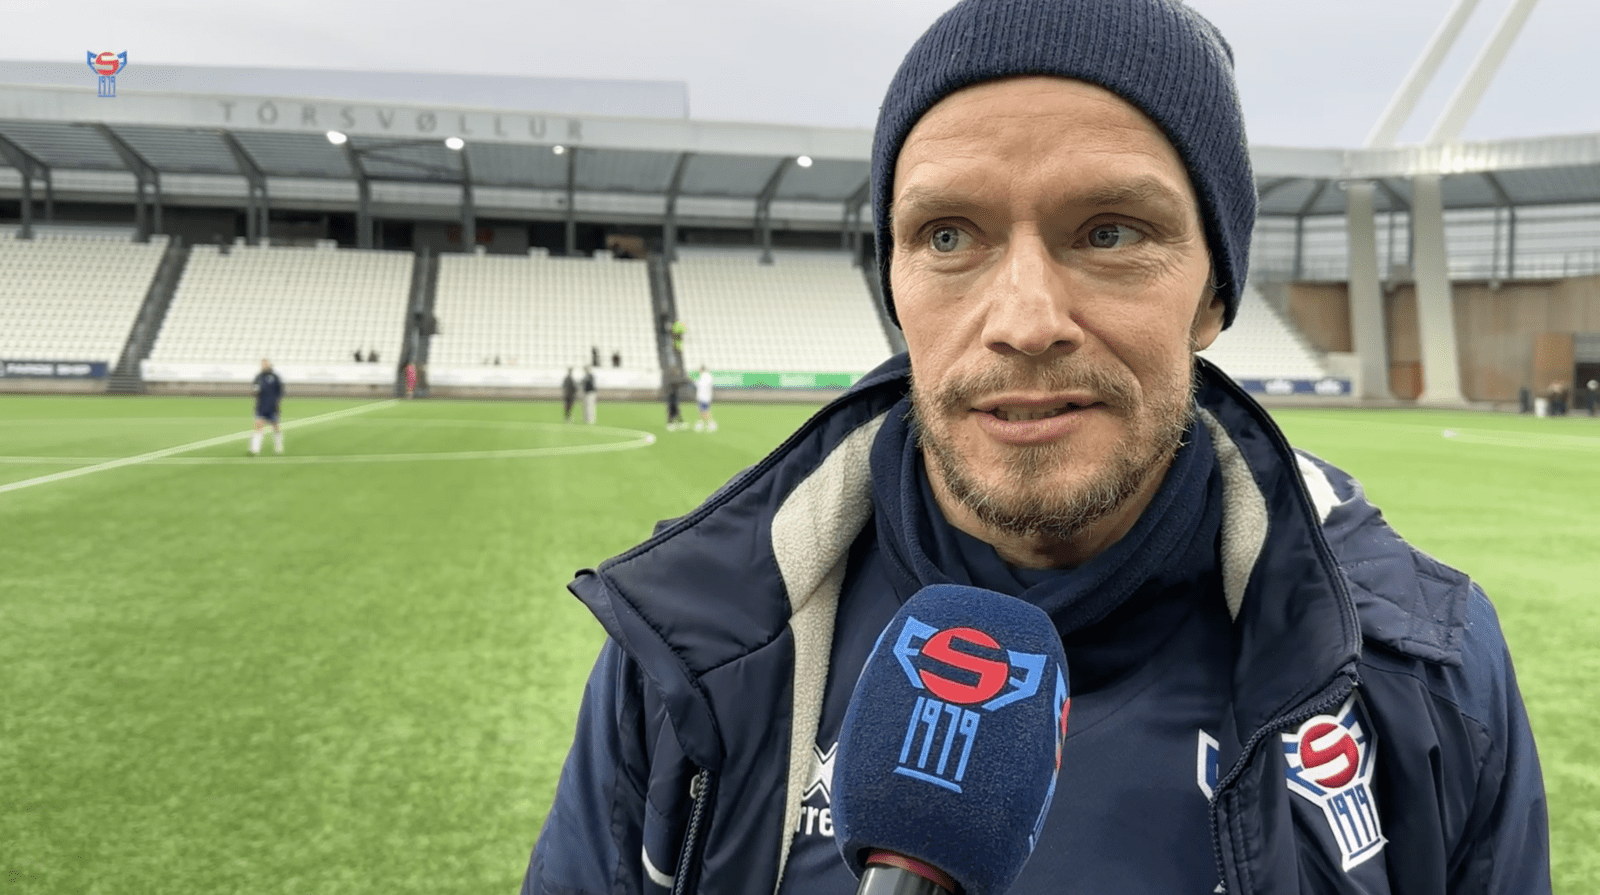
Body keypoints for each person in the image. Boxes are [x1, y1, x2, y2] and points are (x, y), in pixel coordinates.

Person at [524, 1, 1550, 893]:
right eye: (947, 235)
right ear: (894, 285)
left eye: (1110, 232)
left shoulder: (1427, 676)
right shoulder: (694, 649)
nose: (1023, 321)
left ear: (1214, 294)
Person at [249, 358, 284, 456]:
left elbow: (280, 391)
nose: (264, 366)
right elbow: (255, 390)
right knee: (258, 426)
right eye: (263, 364)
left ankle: (279, 447)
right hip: (261, 406)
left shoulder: (275, 377)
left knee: (276, 426)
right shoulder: (258, 377)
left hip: (272, 407)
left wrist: (275, 401)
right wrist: (255, 392)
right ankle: (255, 449)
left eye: (266, 364)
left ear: (269, 365)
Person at [692, 364, 716, 432]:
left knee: (705, 411)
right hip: (707, 396)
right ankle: (701, 423)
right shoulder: (709, 376)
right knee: (702, 410)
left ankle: (711, 423)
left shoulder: (702, 376)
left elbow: (697, 384)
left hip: (702, 396)